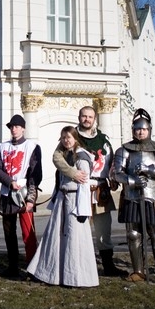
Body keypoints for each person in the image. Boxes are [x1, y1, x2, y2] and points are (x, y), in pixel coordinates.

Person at [52, 104, 124, 277]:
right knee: (77, 230)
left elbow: (111, 161)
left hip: (100, 190)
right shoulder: (71, 136)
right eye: (84, 116)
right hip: (77, 190)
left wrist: (113, 178)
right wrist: (73, 173)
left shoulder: (103, 139)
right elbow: (56, 158)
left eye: (90, 117)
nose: (87, 119)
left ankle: (107, 266)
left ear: (95, 119)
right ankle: (77, 266)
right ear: (79, 117)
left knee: (103, 230)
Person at [27, 126, 99, 288]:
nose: (66, 140)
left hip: (75, 201)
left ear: (75, 138)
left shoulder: (81, 157)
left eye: (69, 137)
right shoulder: (63, 155)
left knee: (74, 239)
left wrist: (82, 208)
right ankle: (51, 274)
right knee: (55, 237)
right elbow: (60, 171)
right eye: (64, 137)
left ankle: (74, 277)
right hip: (62, 198)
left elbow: (84, 183)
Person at [113, 108, 155, 286]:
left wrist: (150, 170)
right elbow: (116, 173)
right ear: (133, 130)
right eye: (137, 129)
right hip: (132, 197)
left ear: (149, 130)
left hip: (154, 198)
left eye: (144, 129)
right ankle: (138, 271)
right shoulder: (124, 149)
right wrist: (132, 180)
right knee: (134, 235)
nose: (141, 132)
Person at [0, 114, 42, 279]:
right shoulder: (3, 147)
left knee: (28, 233)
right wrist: (9, 182)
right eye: (11, 127)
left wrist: (31, 198)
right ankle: (13, 267)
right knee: (9, 233)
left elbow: (36, 173)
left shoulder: (32, 146)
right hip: (7, 194)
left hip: (25, 194)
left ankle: (32, 268)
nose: (13, 129)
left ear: (23, 128)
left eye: (16, 126)